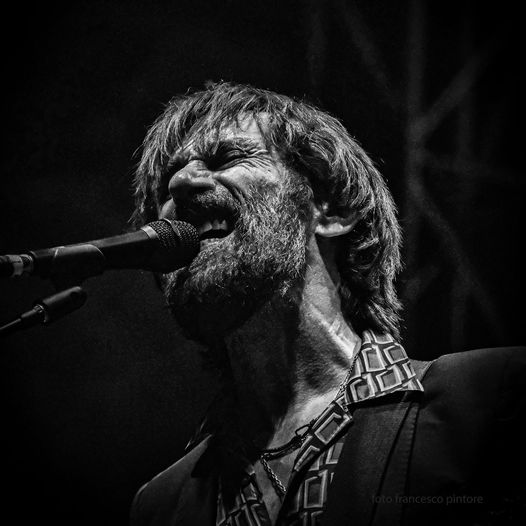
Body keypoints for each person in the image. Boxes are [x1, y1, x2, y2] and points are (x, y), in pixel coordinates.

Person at [129, 82, 525, 526]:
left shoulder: (493, 399)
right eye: (167, 183)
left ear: (332, 209)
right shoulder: (161, 506)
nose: (181, 182)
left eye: (227, 158)